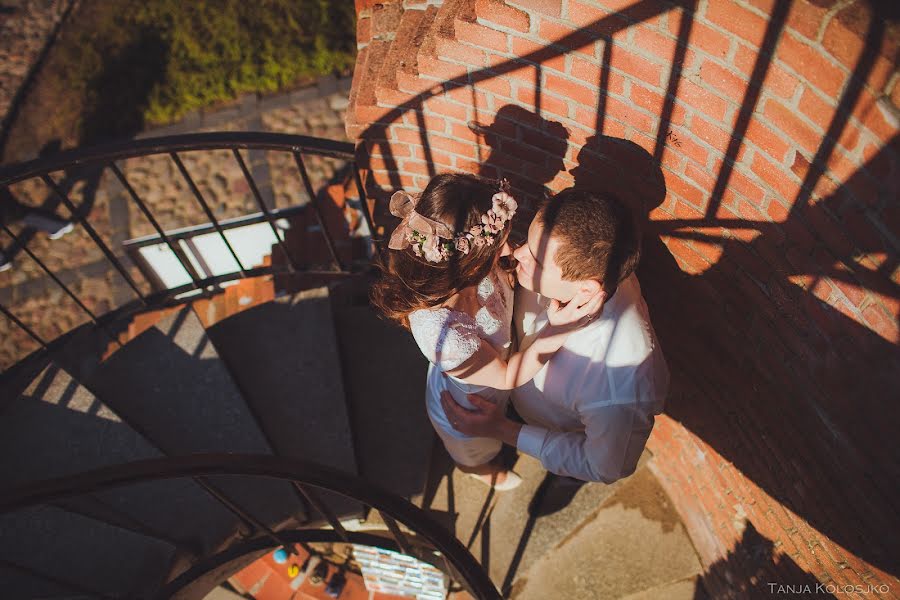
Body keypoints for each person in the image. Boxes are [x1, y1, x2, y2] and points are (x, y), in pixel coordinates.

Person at [371, 174, 606, 490]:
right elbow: (507, 375)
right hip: (468, 408)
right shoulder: (444, 335)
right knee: (476, 451)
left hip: (486, 381)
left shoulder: (468, 272)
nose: (510, 248)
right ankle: (479, 471)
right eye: (499, 246)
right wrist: (561, 328)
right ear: (471, 263)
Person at [440, 187, 669, 484]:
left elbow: (603, 466)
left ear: (586, 289)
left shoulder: (619, 384)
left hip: (554, 432)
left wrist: (504, 430)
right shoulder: (584, 265)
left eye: (534, 258)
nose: (518, 253)